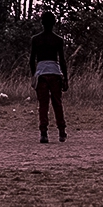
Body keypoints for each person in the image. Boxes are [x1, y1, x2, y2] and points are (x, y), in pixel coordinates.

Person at [30, 11, 69, 144]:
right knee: (57, 103)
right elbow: (62, 60)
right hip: (54, 72)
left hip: (41, 73)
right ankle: (62, 131)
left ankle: (44, 133)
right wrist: (65, 78)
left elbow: (31, 60)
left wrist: (34, 75)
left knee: (43, 104)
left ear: (42, 22)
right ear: (54, 23)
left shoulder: (36, 39)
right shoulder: (58, 40)